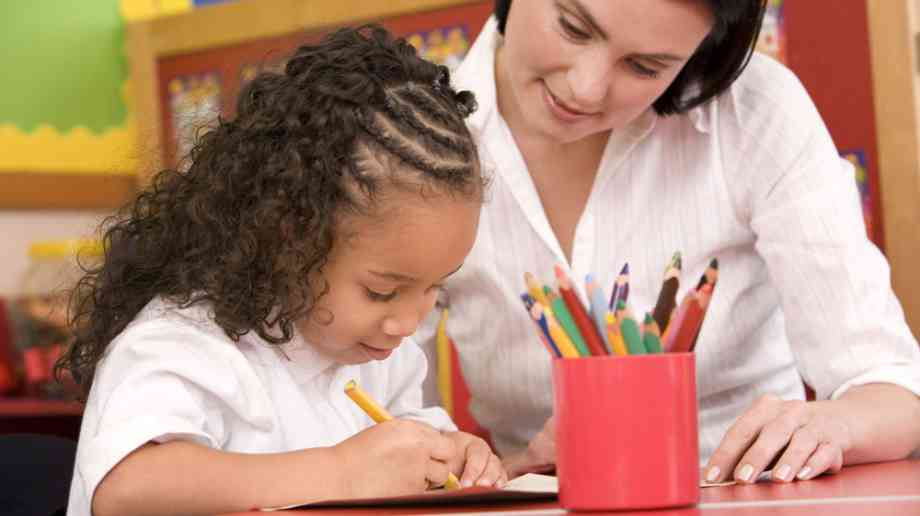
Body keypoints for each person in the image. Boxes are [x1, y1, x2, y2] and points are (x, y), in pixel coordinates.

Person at [418, 0, 920, 485]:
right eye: (573, 27)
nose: (586, 89)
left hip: (749, 497)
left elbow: (893, 388)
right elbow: (388, 423)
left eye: (644, 66)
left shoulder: (753, 113)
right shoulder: (413, 136)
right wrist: (494, 471)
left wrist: (839, 426)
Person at [59, 25, 505, 516]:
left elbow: (408, 457)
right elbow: (127, 489)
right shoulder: (184, 343)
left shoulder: (379, 355)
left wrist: (450, 457)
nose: (408, 323)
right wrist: (341, 472)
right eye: (381, 292)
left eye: (435, 288)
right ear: (292, 236)